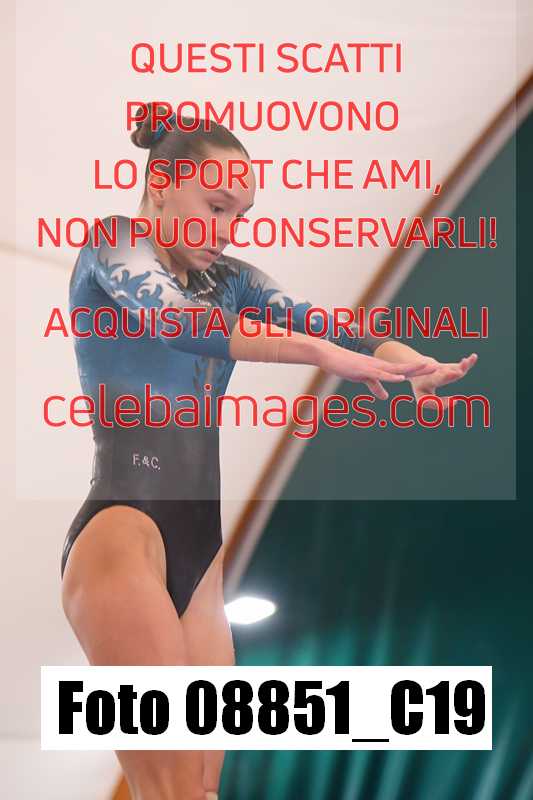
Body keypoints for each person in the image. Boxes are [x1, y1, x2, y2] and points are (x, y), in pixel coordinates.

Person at [60, 102, 477, 800]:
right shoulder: (113, 243)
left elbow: (318, 318)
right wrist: (317, 355)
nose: (227, 230)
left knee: (200, 791)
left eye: (240, 215)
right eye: (216, 206)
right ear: (160, 183)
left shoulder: (233, 280)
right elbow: (176, 321)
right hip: (122, 537)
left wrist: (396, 357)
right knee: (169, 791)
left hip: (201, 563)